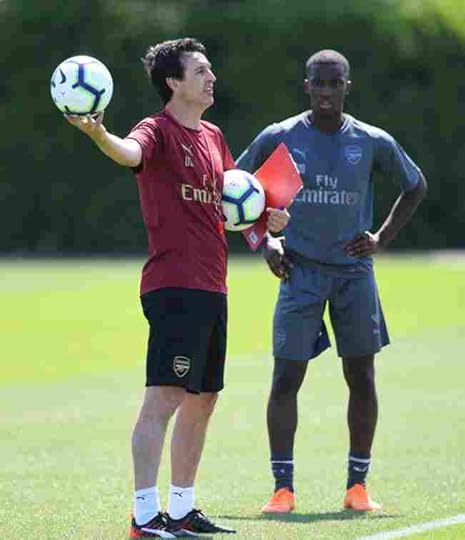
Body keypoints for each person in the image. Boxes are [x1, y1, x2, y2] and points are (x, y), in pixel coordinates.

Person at [66, 38, 289, 538]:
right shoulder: (156, 130)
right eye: (201, 70)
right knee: (164, 397)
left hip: (212, 285)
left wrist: (267, 220)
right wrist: (99, 132)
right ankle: (145, 517)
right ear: (173, 82)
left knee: (203, 397)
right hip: (174, 285)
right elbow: (128, 153)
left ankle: (183, 509)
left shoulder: (213, 135)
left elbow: (235, 202)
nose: (212, 78)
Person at [236, 49, 427, 514]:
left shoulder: (371, 140)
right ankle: (283, 490)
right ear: (306, 86)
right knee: (286, 377)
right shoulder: (281, 136)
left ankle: (357, 486)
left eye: (334, 83)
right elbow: (235, 189)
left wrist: (381, 238)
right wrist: (266, 243)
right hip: (299, 271)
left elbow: (415, 185)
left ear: (347, 86)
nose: (325, 91)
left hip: (354, 274)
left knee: (361, 376)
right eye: (318, 83)